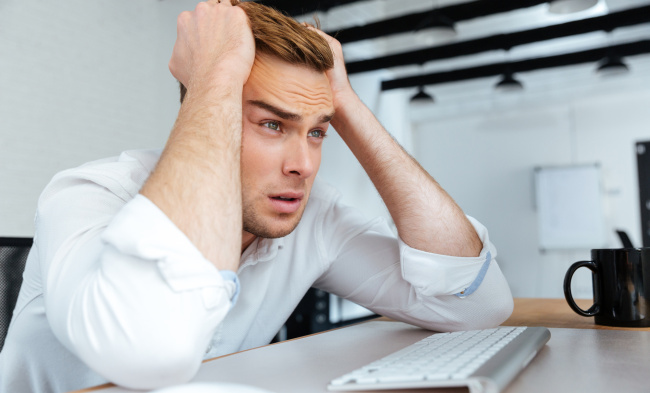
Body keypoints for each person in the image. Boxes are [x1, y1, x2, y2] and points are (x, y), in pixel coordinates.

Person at [0, 0, 513, 392]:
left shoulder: (314, 217)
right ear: (208, 106)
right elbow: (148, 349)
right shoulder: (87, 195)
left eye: (317, 132)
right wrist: (213, 76)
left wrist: (345, 103)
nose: (304, 165)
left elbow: (476, 304)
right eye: (272, 123)